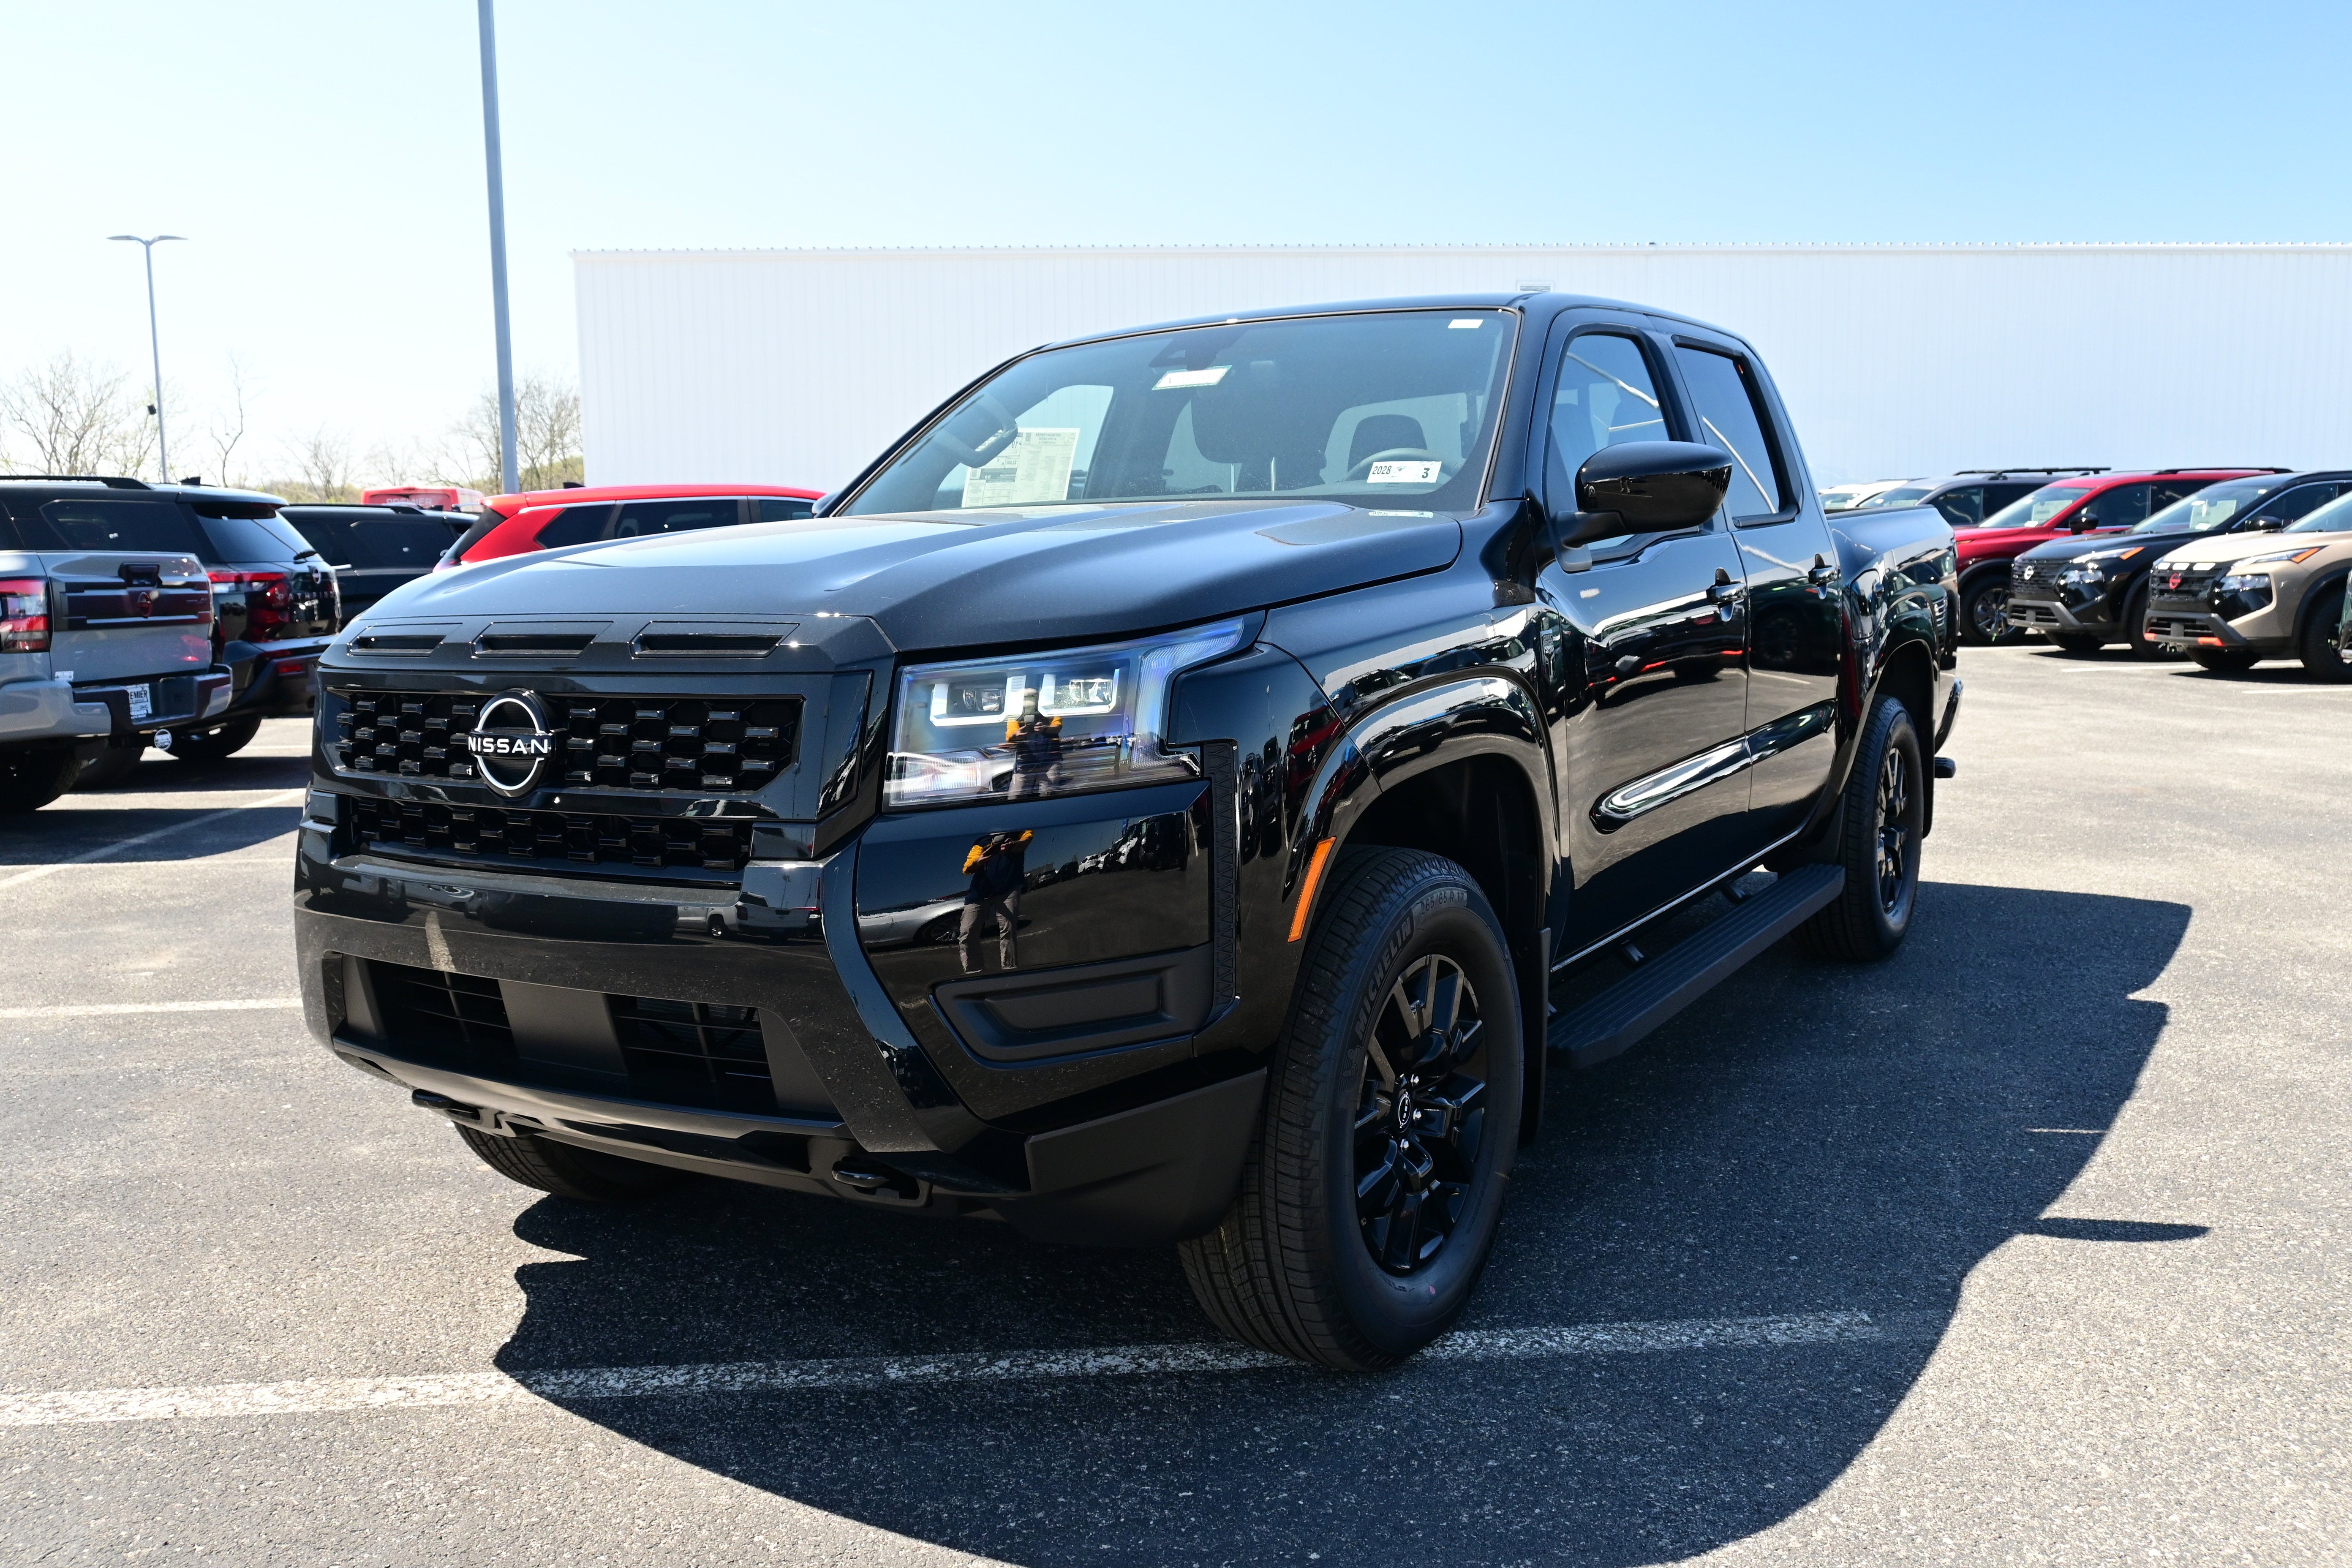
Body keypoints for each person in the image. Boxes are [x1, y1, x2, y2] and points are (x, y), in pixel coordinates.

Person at [958, 829, 1032, 974]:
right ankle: (974, 974)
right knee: (967, 932)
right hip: (979, 892)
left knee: (1009, 930)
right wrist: (979, 861)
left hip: (1008, 888)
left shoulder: (1019, 830)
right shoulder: (981, 841)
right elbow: (967, 869)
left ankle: (1010, 972)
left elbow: (1026, 841)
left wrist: (1013, 845)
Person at [1004, 690, 1062, 801]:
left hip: (1049, 761)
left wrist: (1044, 728)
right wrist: (1018, 734)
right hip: (1025, 763)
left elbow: (1058, 727)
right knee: (1016, 797)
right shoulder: (1015, 715)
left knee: (1048, 796)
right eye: (1027, 699)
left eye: (1033, 698)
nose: (1030, 702)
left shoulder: (1051, 710)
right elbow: (1010, 737)